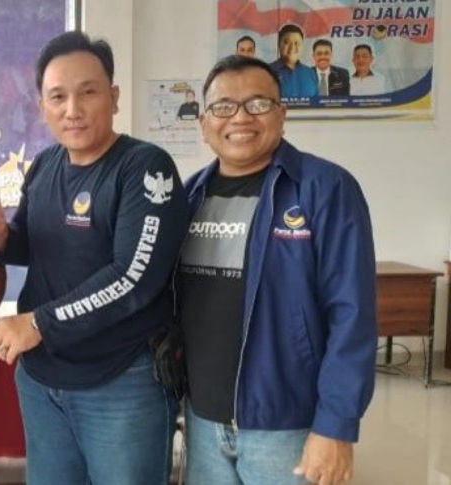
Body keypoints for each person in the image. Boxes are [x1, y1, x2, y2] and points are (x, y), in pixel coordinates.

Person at [0, 31, 190, 485]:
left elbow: (133, 277)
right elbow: (30, 243)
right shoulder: (45, 163)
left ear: (113, 97)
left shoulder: (145, 167)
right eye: (58, 97)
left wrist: (36, 323)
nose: (73, 109)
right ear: (42, 107)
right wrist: (0, 235)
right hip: (42, 379)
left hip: (121, 379)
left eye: (88, 92)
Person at [181, 54, 377, 485]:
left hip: (287, 426)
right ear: (204, 122)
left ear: (282, 114)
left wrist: (336, 425)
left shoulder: (325, 189)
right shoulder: (189, 196)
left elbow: (353, 314)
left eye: (258, 104)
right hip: (203, 420)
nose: (240, 117)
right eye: (223, 106)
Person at [269, 24, 318, 98]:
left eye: (296, 43)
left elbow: (317, 103)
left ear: (302, 46)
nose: (292, 47)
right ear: (279, 44)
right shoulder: (266, 71)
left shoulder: (310, 73)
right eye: (287, 42)